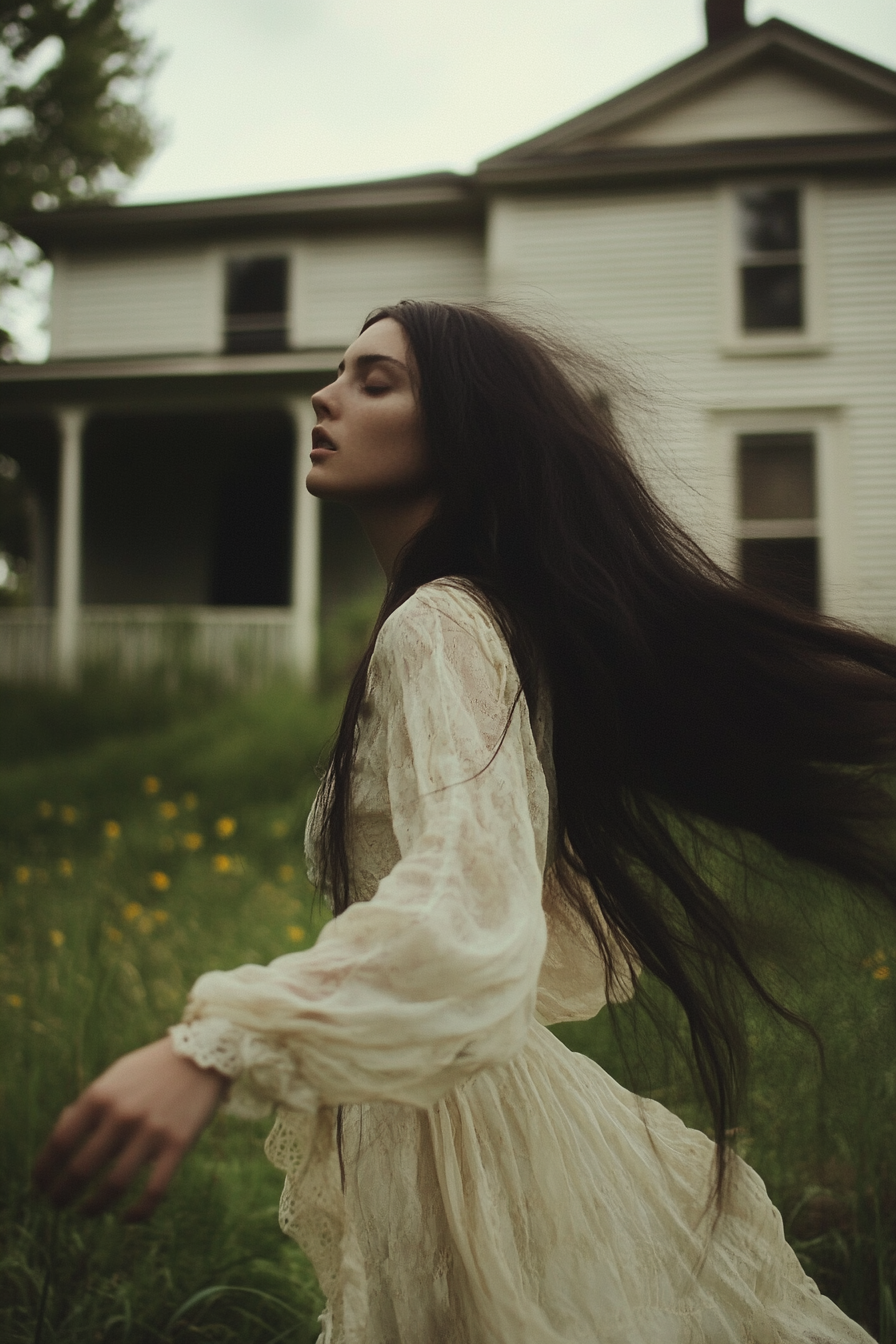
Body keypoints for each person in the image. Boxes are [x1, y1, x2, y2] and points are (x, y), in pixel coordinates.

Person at [35, 302, 896, 1344]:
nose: (324, 394)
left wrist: (210, 1049)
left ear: (463, 435)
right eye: (337, 373)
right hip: (440, 1113)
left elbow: (469, 908)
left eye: (374, 380)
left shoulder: (438, 626)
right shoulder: (462, 618)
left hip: (469, 1139)